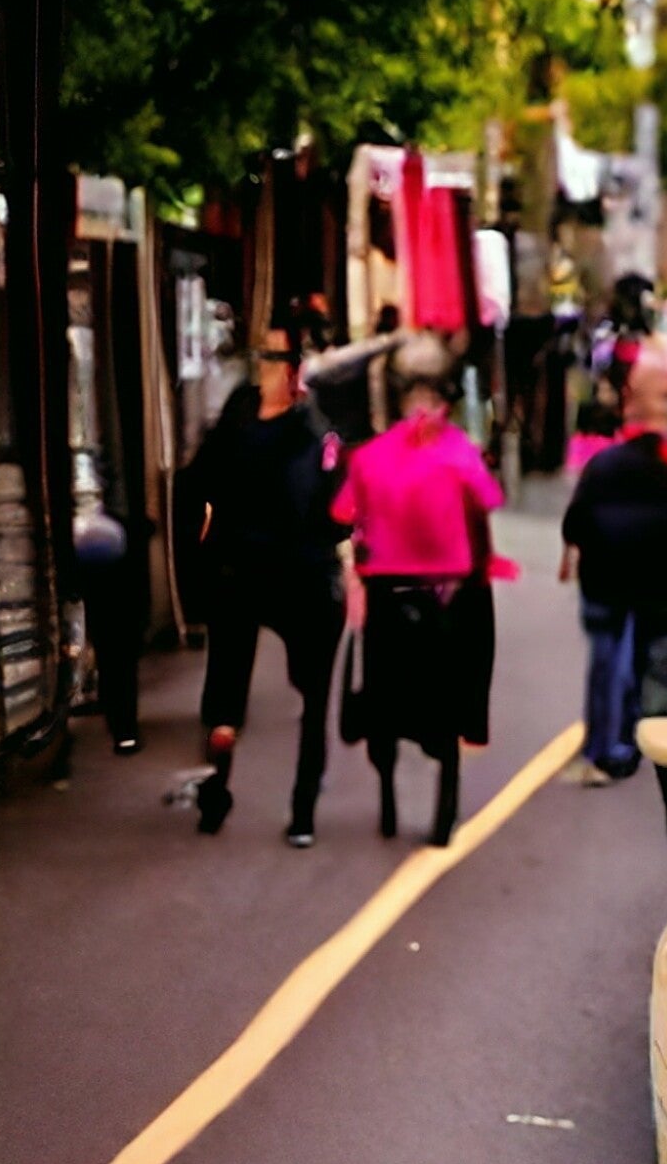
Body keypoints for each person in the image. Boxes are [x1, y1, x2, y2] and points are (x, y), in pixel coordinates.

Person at [333, 336, 505, 848]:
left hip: (387, 594)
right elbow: (487, 500)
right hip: (446, 597)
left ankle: (386, 796)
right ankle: (453, 771)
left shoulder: (368, 456)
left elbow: (343, 512)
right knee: (459, 686)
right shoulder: (459, 452)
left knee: (384, 693)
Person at [180, 322, 348, 846]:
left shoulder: (233, 428)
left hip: (237, 571)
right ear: (296, 373)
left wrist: (208, 539)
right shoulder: (318, 434)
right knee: (314, 696)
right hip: (303, 575)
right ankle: (302, 814)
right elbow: (339, 512)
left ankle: (215, 795)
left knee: (226, 690)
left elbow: (192, 483)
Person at [561, 345, 667, 847]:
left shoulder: (603, 465)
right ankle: (659, 753)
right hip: (662, 590)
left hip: (606, 582)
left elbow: (576, 522)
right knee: (657, 668)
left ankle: (605, 747)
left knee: (605, 661)